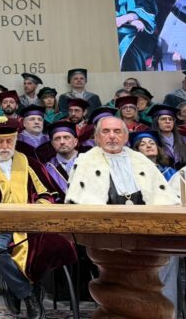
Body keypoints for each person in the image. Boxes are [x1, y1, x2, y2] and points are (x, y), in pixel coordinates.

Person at [0, 116, 77, 319]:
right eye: (0, 141)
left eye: (9, 141)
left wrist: (36, 209)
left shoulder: (31, 164)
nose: (5, 146)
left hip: (30, 224)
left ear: (16, 140)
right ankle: (28, 293)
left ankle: (14, 289)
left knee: (52, 244)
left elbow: (48, 195)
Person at [65, 116, 178, 312]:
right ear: (97, 138)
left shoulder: (141, 160)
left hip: (146, 231)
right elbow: (79, 203)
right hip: (106, 233)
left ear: (126, 137)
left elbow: (163, 198)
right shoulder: (85, 162)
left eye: (117, 132)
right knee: (118, 271)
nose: (112, 136)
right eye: (106, 131)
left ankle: (158, 310)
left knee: (161, 260)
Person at [43, 121, 80, 202]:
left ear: (75, 142)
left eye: (66, 137)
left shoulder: (90, 163)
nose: (62, 142)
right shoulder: (46, 169)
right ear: (52, 144)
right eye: (57, 138)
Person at [149, 104, 186, 169]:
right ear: (156, 122)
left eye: (170, 119)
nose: (168, 122)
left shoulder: (184, 140)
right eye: (163, 119)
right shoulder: (152, 142)